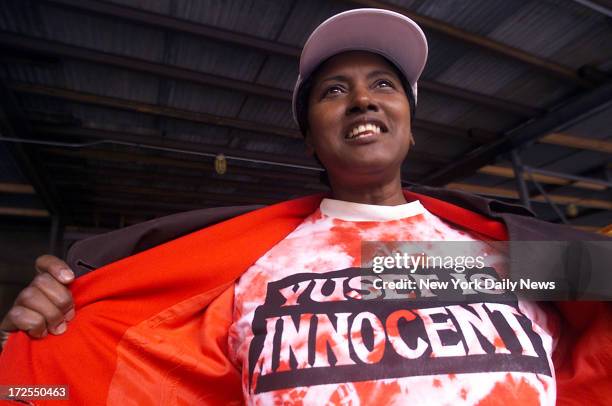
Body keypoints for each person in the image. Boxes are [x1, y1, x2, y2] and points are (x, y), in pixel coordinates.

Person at [1, 8, 611, 405]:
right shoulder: (244, 267)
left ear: (410, 126)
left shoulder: (508, 252)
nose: (363, 102)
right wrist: (39, 346)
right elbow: (65, 388)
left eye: (383, 85)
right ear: (310, 135)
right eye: (334, 91)